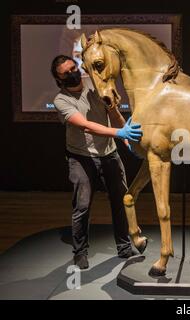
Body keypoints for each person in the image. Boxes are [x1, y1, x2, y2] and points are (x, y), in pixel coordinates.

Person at [51, 55, 143, 269]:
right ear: (59, 79)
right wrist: (120, 132)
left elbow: (113, 110)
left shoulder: (95, 86)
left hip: (109, 154)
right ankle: (80, 252)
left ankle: (123, 246)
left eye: (73, 68)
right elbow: (85, 126)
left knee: (121, 201)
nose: (73, 73)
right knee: (82, 206)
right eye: (66, 72)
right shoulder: (61, 100)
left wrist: (126, 137)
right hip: (81, 157)